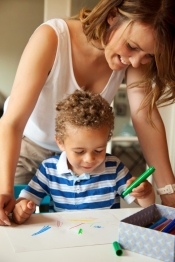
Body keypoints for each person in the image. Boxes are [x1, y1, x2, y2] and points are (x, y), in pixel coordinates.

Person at [0, 0, 174, 226]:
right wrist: (5, 189)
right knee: (13, 226)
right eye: (131, 46)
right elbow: (12, 122)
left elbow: (144, 118)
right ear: (112, 15)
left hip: (86, 158)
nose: (136, 61)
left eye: (148, 55)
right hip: (27, 151)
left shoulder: (135, 57)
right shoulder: (52, 38)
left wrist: (168, 190)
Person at [12, 90, 155, 224]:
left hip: (104, 240)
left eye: (99, 150)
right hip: (64, 240)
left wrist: (146, 193)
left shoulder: (114, 167)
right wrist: (22, 209)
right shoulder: (49, 169)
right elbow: (24, 201)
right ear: (60, 142)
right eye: (79, 151)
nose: (89, 159)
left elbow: (147, 206)